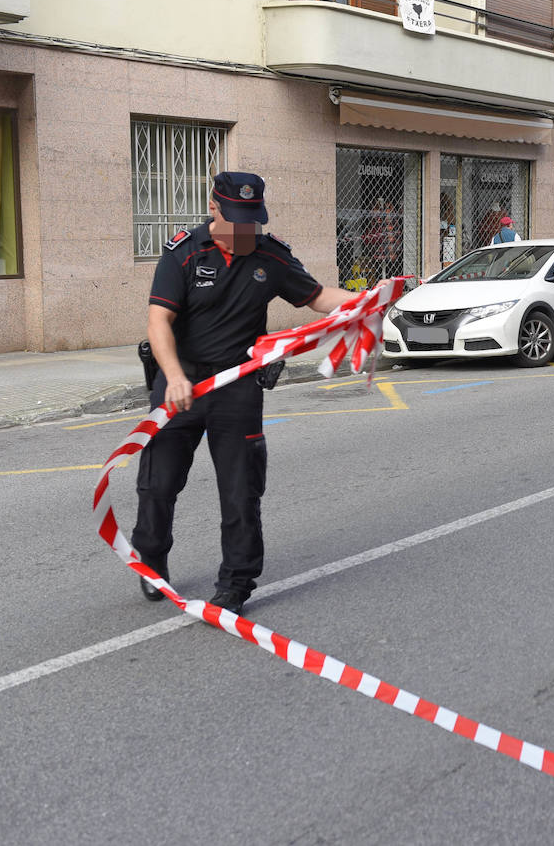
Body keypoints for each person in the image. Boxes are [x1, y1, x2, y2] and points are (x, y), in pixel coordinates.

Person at [132, 172, 375, 615]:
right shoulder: (183, 254)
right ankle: (151, 558)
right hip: (180, 381)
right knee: (158, 482)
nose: (245, 232)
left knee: (242, 489)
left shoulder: (270, 256)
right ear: (214, 208)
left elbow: (318, 298)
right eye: (237, 221)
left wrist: (368, 301)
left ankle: (236, 583)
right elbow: (158, 322)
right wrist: (173, 375)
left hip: (237, 386)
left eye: (253, 222)